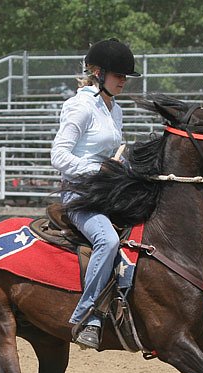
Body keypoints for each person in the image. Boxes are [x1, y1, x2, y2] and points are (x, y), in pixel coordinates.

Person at [50, 38, 141, 349]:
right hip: (79, 194)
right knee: (108, 239)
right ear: (99, 73)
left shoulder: (115, 109)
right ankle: (86, 315)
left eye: (126, 76)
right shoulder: (79, 105)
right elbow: (58, 157)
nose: (124, 81)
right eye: (119, 75)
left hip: (106, 193)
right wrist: (96, 169)